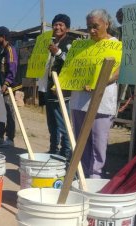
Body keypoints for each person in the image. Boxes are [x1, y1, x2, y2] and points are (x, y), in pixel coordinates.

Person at [70, 9, 120, 178]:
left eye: (95, 26)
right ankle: (81, 175)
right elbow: (71, 70)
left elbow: (118, 71)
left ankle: (95, 176)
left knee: (98, 142)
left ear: (107, 24)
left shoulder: (116, 45)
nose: (91, 30)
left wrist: (100, 83)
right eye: (88, 27)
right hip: (79, 101)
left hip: (102, 101)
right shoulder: (82, 45)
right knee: (80, 142)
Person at [43, 14, 75, 160]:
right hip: (49, 88)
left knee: (63, 123)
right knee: (52, 123)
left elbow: (73, 63)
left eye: (61, 24)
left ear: (67, 28)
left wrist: (59, 53)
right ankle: (53, 149)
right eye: (55, 24)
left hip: (62, 90)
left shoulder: (70, 43)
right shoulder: (49, 43)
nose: (57, 27)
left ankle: (66, 153)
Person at [0, 26, 19, 147]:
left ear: (3, 36)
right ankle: (0, 135)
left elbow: (12, 68)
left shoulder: (10, 50)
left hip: (7, 87)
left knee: (9, 113)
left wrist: (6, 83)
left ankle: (10, 138)